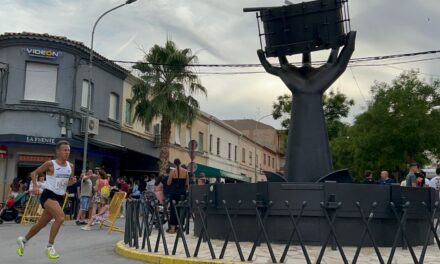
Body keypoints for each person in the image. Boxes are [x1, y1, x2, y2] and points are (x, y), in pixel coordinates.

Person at [16, 140, 74, 259]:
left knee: (41, 224)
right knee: (61, 218)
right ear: (58, 151)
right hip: (48, 195)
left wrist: (71, 182)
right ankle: (49, 246)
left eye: (68, 150)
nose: (67, 152)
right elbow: (34, 173)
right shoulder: (50, 164)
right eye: (65, 150)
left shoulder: (71, 166)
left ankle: (24, 239)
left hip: (59, 197)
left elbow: (66, 183)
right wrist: (36, 186)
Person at [167, 159, 189, 234]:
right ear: (180, 163)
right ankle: (180, 227)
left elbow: (169, 183)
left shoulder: (172, 171)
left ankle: (173, 228)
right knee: (181, 209)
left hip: (174, 192)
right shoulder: (186, 172)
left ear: (174, 163)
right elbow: (187, 184)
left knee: (173, 209)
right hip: (182, 192)